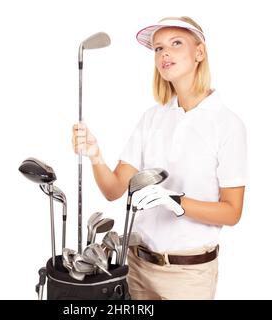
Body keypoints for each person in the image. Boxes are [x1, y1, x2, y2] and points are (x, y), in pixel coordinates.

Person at [72, 16, 247, 300]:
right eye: (158, 48)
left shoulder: (227, 124)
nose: (165, 53)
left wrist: (176, 202)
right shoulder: (152, 118)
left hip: (189, 277)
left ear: (199, 53)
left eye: (176, 44)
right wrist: (95, 155)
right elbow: (114, 189)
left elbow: (232, 211)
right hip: (137, 268)